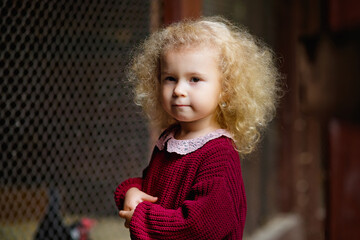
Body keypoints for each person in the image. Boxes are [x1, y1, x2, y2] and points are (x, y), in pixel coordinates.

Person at [114, 16, 281, 239]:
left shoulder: (219, 155)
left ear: (226, 89)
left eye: (194, 79)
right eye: (170, 78)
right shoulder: (170, 139)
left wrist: (141, 215)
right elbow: (153, 188)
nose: (179, 90)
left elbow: (198, 226)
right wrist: (130, 191)